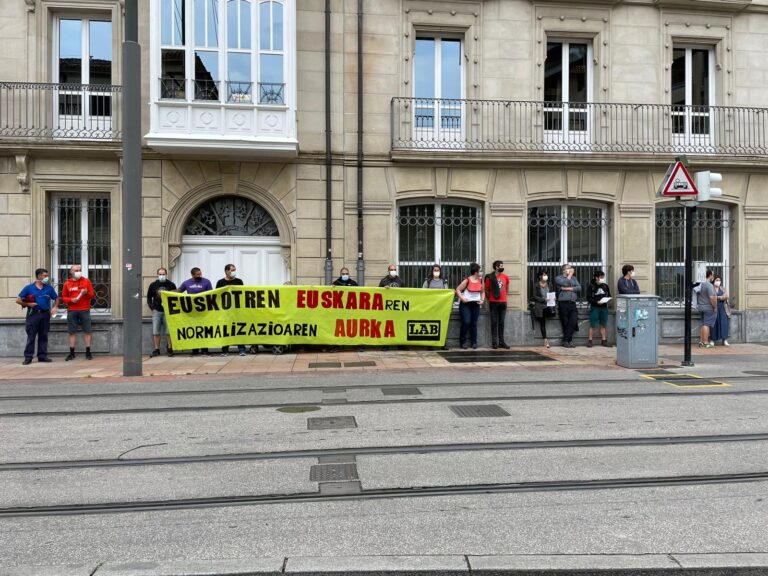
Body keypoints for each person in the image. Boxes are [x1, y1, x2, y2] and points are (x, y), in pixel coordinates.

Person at [16, 268, 59, 365]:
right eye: (45, 276)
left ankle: (42, 356)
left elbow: (56, 298)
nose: (46, 278)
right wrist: (28, 304)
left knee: (43, 335)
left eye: (47, 276)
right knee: (31, 336)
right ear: (39, 276)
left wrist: (55, 307)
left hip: (45, 314)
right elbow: (18, 300)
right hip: (33, 314)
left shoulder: (49, 288)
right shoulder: (29, 288)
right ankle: (28, 357)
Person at [60, 264, 96, 360]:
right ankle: (72, 353)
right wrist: (71, 300)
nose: (78, 272)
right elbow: (63, 297)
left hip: (84, 309)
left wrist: (86, 293)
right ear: (71, 272)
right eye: (75, 270)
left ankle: (88, 352)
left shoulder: (86, 281)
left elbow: (92, 295)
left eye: (79, 270)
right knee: (72, 332)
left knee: (87, 331)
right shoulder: (67, 283)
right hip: (72, 310)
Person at [178, 267, 213, 356]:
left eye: (200, 274)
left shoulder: (206, 282)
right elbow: (178, 292)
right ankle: (195, 349)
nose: (200, 276)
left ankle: (205, 349)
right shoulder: (187, 283)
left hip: (204, 311)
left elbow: (211, 294)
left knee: (204, 330)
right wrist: (166, 293)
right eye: (197, 274)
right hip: (192, 312)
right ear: (193, 275)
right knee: (193, 330)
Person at [216, 264, 246, 356]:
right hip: (225, 310)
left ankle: (241, 349)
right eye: (232, 270)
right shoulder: (220, 282)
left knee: (239, 328)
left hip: (237, 309)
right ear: (226, 271)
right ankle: (225, 350)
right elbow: (216, 295)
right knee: (226, 329)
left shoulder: (239, 281)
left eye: (235, 270)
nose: (234, 272)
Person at [146, 267, 177, 357]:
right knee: (156, 331)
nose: (162, 276)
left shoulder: (171, 285)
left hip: (168, 311)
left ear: (166, 274)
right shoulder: (153, 285)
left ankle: (170, 348)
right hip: (157, 311)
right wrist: (152, 308)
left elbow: (175, 297)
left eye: (163, 274)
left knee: (168, 332)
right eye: (160, 274)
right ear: (157, 275)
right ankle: (156, 349)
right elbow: (148, 297)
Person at [455, 263, 484, 350]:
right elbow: (458, 290)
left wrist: (482, 300)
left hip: (475, 304)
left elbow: (483, 292)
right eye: (480, 270)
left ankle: (474, 342)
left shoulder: (481, 281)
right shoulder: (467, 280)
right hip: (465, 304)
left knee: (474, 323)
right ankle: (462, 342)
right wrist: (462, 298)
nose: (481, 272)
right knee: (466, 322)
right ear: (476, 272)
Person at [485, 260, 510, 349]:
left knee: (502, 322)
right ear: (496, 267)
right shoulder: (489, 277)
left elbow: (507, 289)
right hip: (493, 303)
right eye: (501, 266)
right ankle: (494, 342)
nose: (502, 267)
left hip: (503, 303)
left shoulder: (505, 277)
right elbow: (487, 290)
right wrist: (490, 299)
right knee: (494, 322)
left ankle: (501, 342)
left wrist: (503, 297)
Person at [423, 264, 450, 350]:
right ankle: (430, 344)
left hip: (441, 307)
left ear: (440, 271)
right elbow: (422, 293)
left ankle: (443, 343)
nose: (436, 272)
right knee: (430, 325)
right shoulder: (427, 281)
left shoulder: (443, 281)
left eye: (437, 270)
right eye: (434, 270)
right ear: (432, 271)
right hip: (431, 307)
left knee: (442, 325)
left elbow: (447, 293)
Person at [555, 263, 581, 348]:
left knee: (573, 321)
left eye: (570, 268)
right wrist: (569, 275)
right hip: (563, 303)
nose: (570, 269)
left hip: (572, 303)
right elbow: (565, 283)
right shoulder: (558, 278)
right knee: (565, 322)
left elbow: (579, 288)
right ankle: (568, 341)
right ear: (563, 270)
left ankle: (565, 340)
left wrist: (569, 289)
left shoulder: (574, 278)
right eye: (568, 268)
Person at [586, 270, 612, 348]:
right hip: (595, 308)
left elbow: (609, 295)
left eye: (603, 277)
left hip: (604, 308)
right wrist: (596, 302)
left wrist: (608, 299)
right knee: (592, 324)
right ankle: (590, 341)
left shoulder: (605, 286)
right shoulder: (591, 286)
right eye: (601, 277)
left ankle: (604, 340)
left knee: (603, 324)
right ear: (596, 278)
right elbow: (589, 298)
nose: (602, 279)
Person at [531, 270, 553, 348]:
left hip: (548, 306)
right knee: (542, 323)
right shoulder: (536, 285)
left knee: (546, 322)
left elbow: (551, 293)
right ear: (540, 276)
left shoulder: (549, 284)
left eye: (546, 274)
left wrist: (553, 298)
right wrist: (543, 300)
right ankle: (545, 340)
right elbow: (534, 296)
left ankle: (546, 340)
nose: (545, 276)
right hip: (540, 307)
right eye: (544, 275)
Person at [697, 269, 717, 349]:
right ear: (710, 275)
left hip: (701, 307)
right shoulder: (709, 285)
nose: (713, 277)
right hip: (708, 307)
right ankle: (705, 342)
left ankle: (701, 341)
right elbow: (712, 297)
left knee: (703, 324)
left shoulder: (701, 284)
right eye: (713, 275)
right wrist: (715, 307)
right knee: (707, 324)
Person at [710, 275, 730, 346]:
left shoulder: (723, 288)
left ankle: (724, 340)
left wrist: (717, 297)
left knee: (724, 324)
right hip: (713, 308)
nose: (718, 281)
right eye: (716, 280)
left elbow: (726, 296)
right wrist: (720, 298)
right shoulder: (711, 288)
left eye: (719, 280)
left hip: (723, 308)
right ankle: (712, 340)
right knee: (714, 324)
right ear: (714, 281)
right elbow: (710, 297)